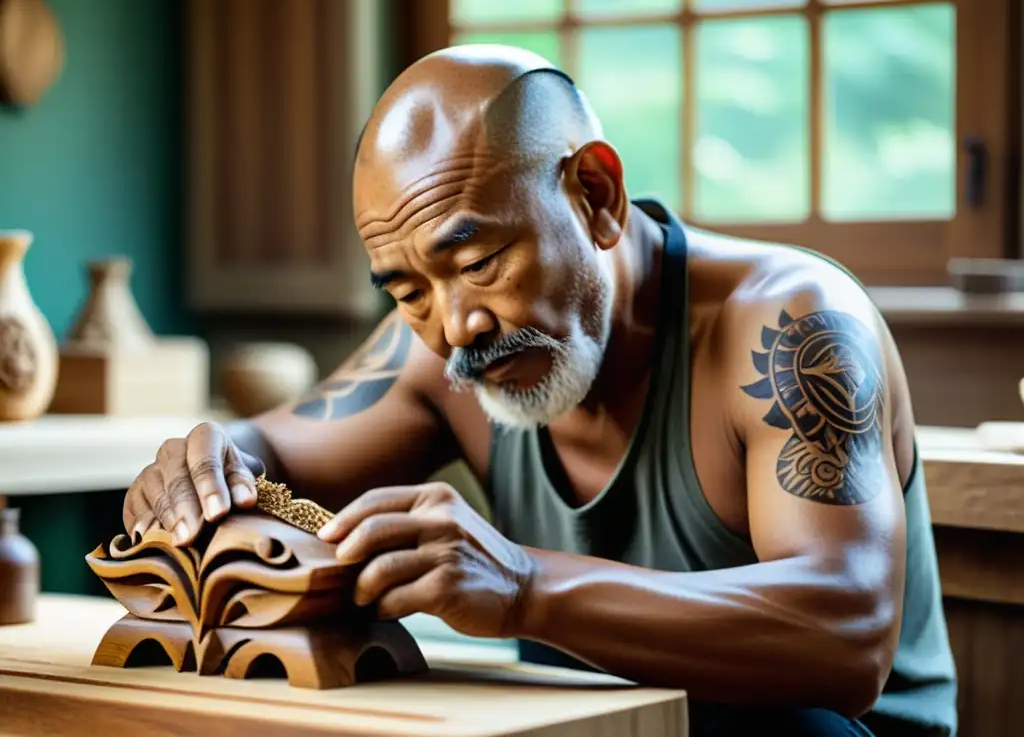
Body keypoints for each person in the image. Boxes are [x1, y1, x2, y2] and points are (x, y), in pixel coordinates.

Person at [122, 45, 956, 736]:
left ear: (595, 195)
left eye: (479, 264)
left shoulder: (789, 328)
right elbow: (267, 458)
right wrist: (203, 469)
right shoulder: (443, 352)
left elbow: (846, 636)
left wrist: (524, 587)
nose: (455, 327)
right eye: (408, 292)